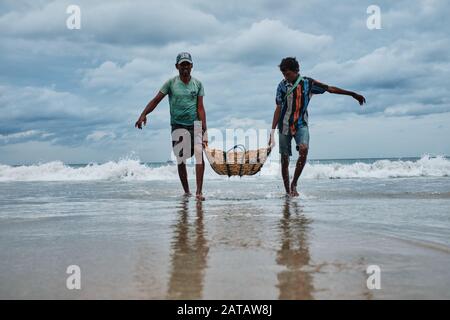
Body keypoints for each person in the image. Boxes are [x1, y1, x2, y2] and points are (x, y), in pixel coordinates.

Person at [269, 57, 366, 197]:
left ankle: (294, 184)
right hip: (284, 126)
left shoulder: (308, 83)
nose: (286, 77)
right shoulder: (281, 86)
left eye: (288, 74)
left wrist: (352, 94)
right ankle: (287, 192)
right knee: (284, 160)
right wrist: (272, 132)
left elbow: (329, 88)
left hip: (301, 124)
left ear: (296, 71)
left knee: (304, 149)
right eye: (284, 74)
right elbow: (278, 108)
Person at [135, 52, 208, 200]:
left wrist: (204, 129)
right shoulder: (171, 83)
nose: (185, 67)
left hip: (195, 124)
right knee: (181, 159)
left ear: (192, 66)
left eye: (188, 64)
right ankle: (187, 191)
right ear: (177, 67)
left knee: (200, 156)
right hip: (177, 126)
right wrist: (143, 114)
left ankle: (199, 192)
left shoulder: (198, 84)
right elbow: (156, 100)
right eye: (182, 65)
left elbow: (200, 108)